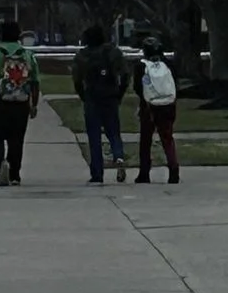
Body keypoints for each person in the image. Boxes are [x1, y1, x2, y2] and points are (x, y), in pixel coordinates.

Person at [0, 22, 39, 185]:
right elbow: (35, 82)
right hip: (20, 103)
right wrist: (34, 104)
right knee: (16, 138)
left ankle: (0, 163)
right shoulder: (27, 55)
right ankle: (14, 174)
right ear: (18, 36)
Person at [74, 22, 128, 184]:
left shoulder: (83, 56)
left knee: (94, 137)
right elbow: (125, 74)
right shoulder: (114, 53)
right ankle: (118, 156)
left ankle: (97, 173)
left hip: (92, 98)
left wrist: (83, 95)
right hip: (110, 96)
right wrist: (119, 93)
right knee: (113, 132)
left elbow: (77, 79)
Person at [134, 35, 180, 184]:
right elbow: (175, 84)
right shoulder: (168, 64)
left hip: (149, 107)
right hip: (168, 106)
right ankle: (174, 170)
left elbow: (137, 87)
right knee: (167, 139)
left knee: (146, 140)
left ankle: (144, 173)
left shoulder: (141, 66)